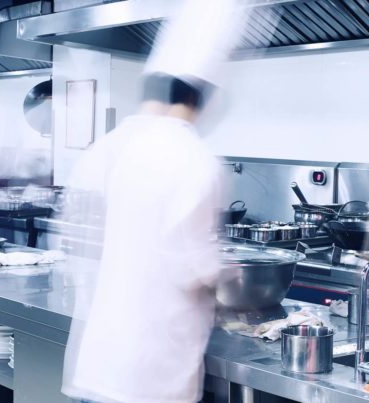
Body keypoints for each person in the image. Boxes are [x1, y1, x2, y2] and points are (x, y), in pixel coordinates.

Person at [61, 1, 249, 402]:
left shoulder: (120, 145)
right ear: (206, 98)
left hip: (102, 353)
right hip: (152, 369)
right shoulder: (194, 158)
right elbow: (191, 264)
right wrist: (230, 276)